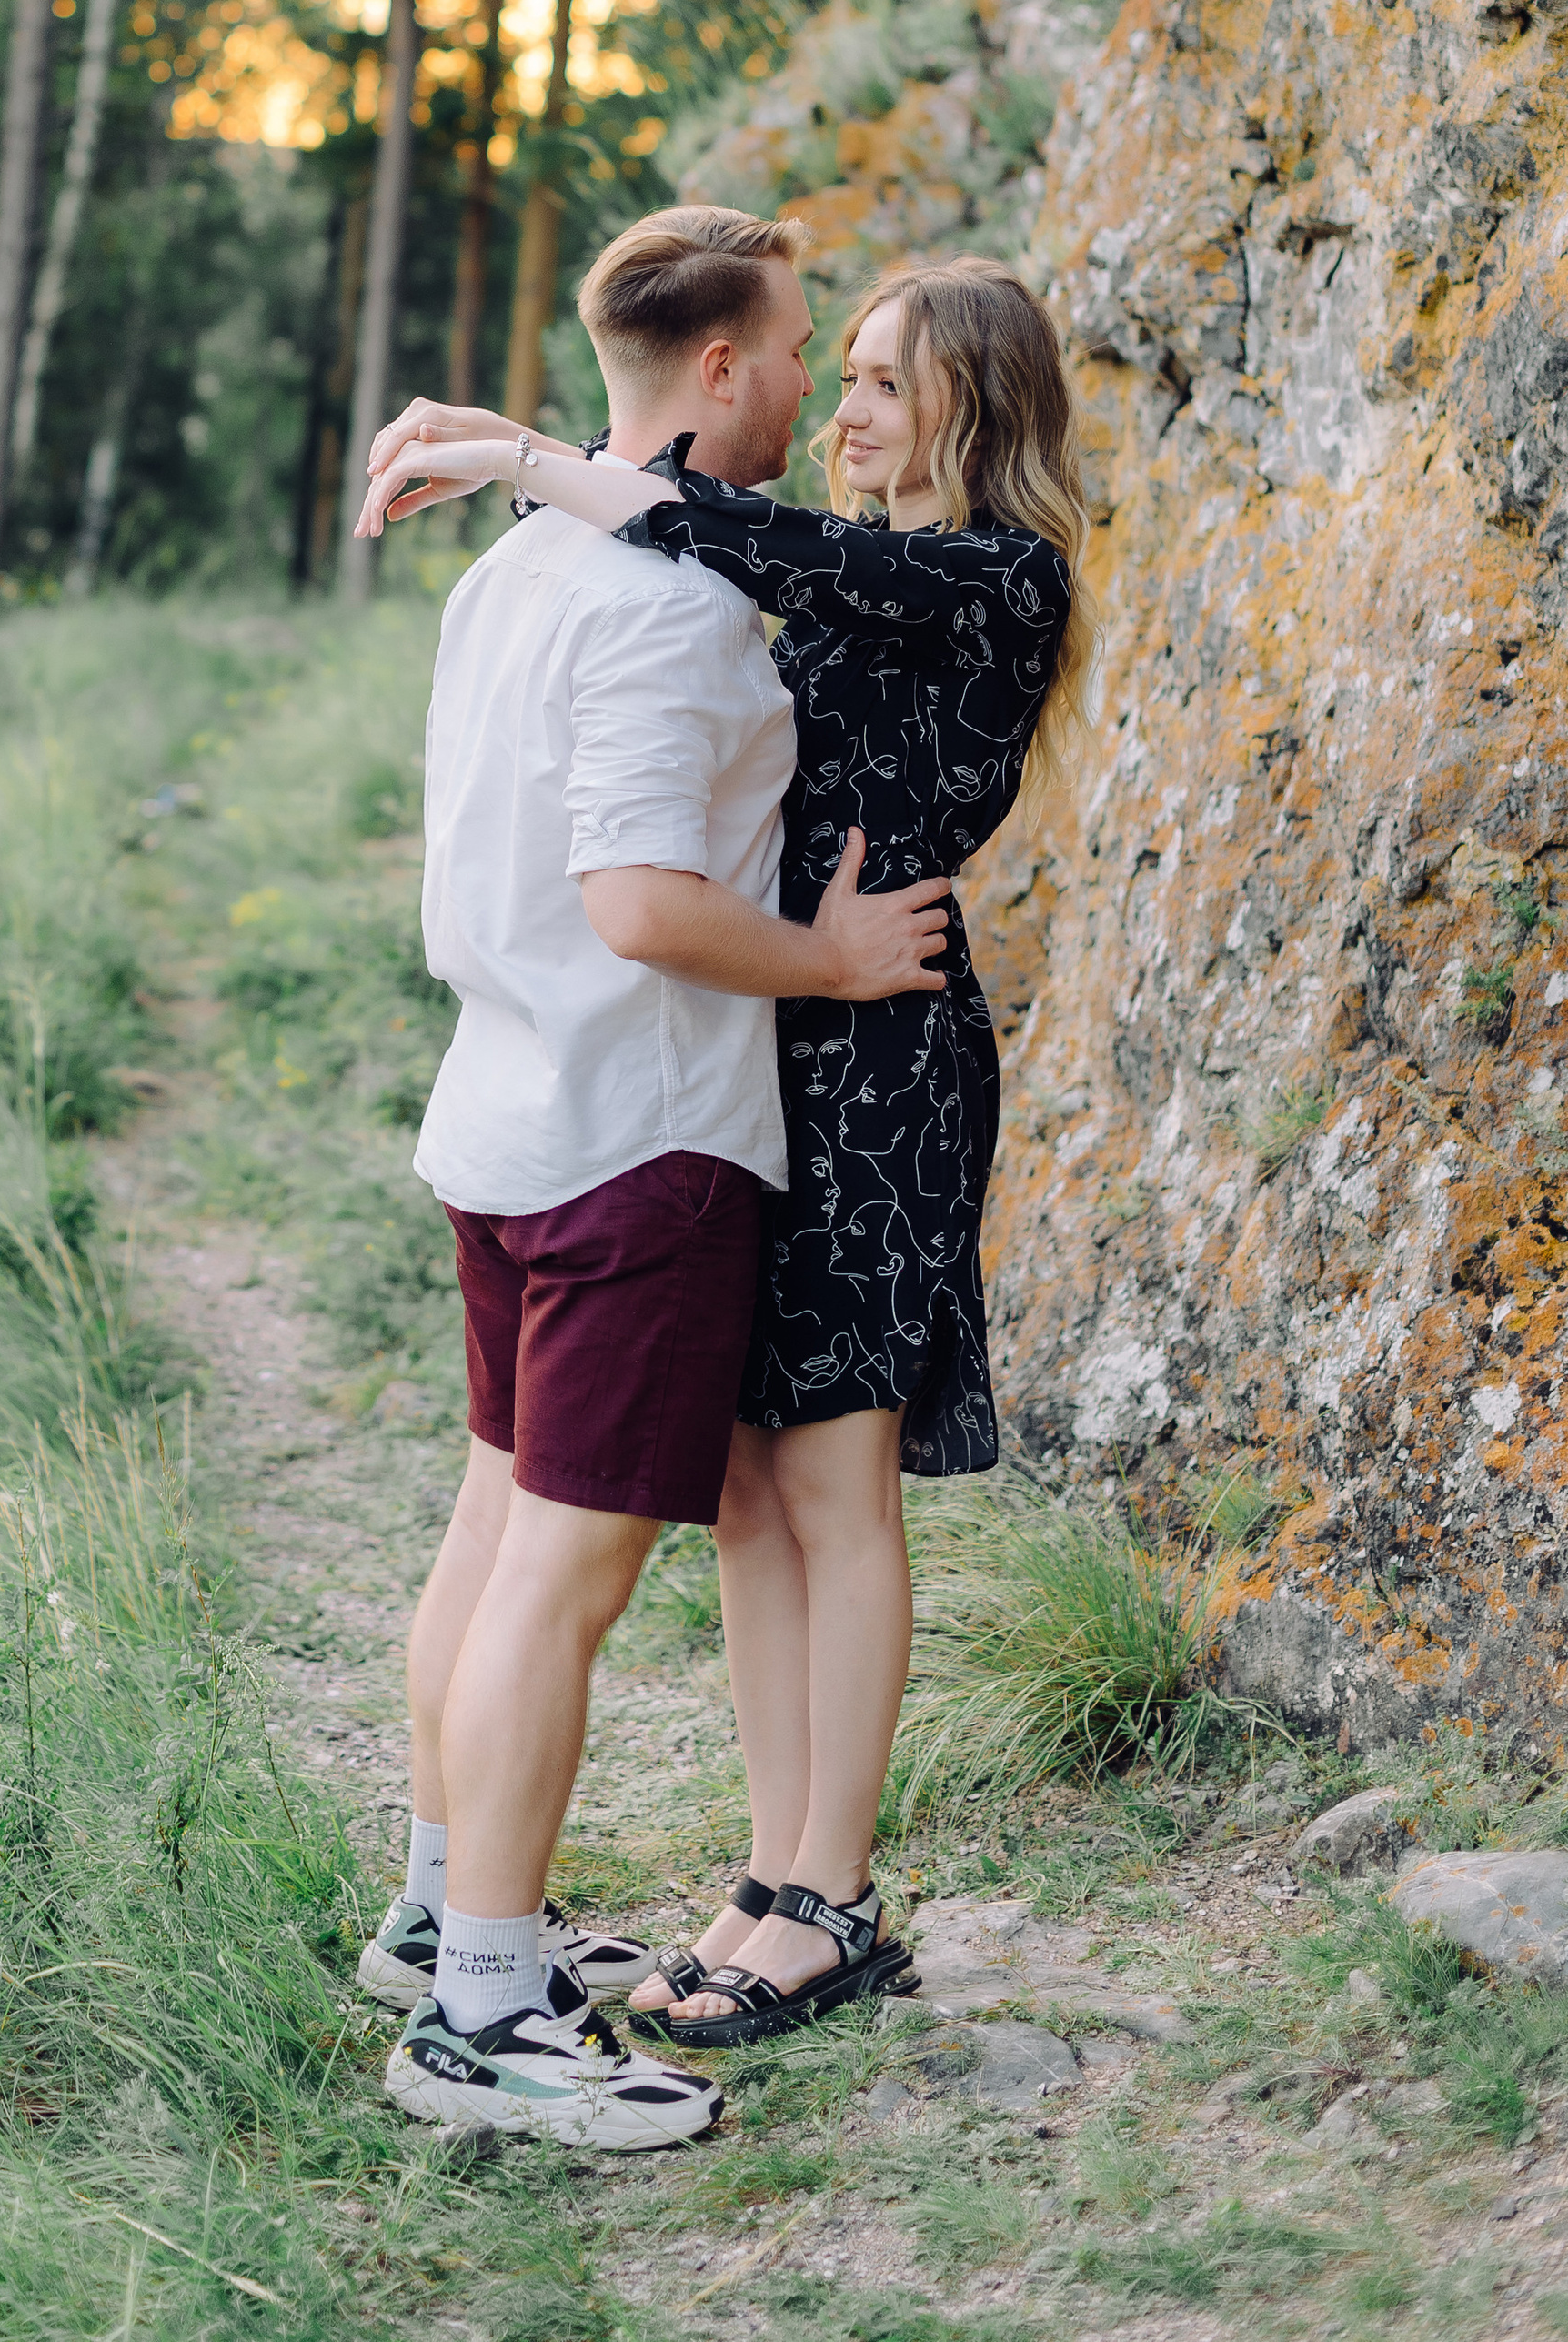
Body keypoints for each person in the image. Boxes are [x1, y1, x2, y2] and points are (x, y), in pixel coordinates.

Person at [358, 240, 1097, 2048]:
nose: (840, 406)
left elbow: (734, 536)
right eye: (827, 369)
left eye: (875, 377)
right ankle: (770, 1875)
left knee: (831, 1488)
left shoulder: (995, 580)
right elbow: (717, 532)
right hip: (772, 1035)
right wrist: (545, 457)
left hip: (878, 1059)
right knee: (756, 1488)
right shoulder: (850, 586)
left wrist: (522, 455)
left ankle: (831, 1893)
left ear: (967, 404)